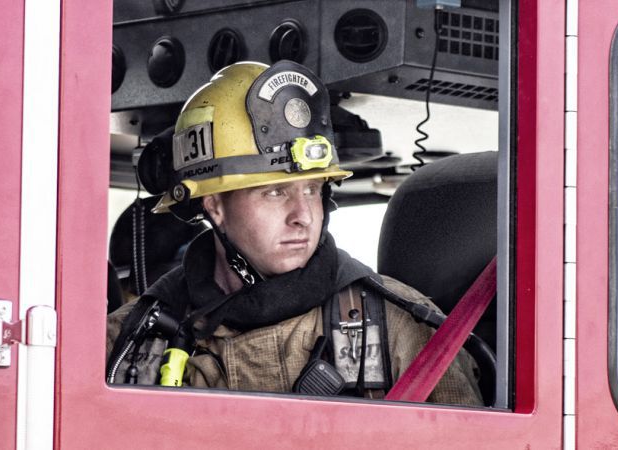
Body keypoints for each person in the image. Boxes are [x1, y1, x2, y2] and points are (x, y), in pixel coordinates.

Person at [106, 60, 482, 405]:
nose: (303, 216)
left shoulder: (405, 328)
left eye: (313, 190)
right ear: (215, 205)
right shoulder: (128, 338)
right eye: (275, 192)